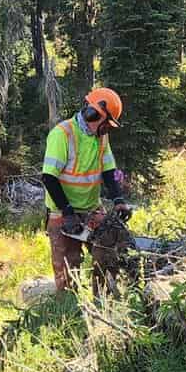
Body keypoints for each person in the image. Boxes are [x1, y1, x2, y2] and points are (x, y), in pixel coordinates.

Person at [41, 87, 129, 293]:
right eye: (106, 124)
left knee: (108, 253)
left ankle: (103, 301)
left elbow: (109, 170)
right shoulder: (62, 134)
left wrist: (118, 199)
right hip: (62, 211)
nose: (107, 130)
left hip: (91, 208)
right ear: (94, 114)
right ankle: (69, 311)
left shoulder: (101, 138)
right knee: (68, 269)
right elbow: (48, 177)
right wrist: (67, 211)